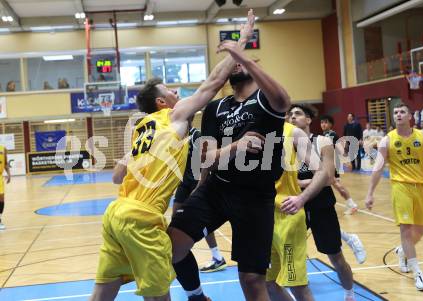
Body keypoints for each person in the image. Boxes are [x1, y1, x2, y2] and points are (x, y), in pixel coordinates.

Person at [89, 9, 257, 301]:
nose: (178, 92)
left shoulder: (143, 130)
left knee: (104, 291)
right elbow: (215, 81)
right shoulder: (173, 116)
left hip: (115, 214)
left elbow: (117, 176)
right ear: (161, 101)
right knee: (158, 295)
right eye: (171, 90)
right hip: (141, 218)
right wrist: (241, 40)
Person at [167, 14, 331, 300]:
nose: (237, 64)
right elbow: (205, 157)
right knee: (173, 246)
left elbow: (283, 99)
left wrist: (242, 52)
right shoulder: (215, 108)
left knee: (252, 280)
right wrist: (234, 149)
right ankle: (196, 296)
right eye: (235, 62)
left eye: (244, 61)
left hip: (256, 198)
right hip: (216, 189)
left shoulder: (266, 102)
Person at [288, 105, 366, 301]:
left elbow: (329, 177)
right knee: (289, 254)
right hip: (292, 207)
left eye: (297, 114)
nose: (292, 117)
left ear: (308, 120)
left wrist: (298, 183)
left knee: (335, 257)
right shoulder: (285, 145)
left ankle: (349, 294)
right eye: (289, 115)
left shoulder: (322, 141)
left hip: (321, 204)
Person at [365, 102, 423, 292]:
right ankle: (418, 273)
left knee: (420, 231)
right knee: (406, 230)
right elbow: (378, 168)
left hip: (421, 187)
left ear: (410, 116)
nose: (398, 114)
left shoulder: (422, 137)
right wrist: (370, 193)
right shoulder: (387, 140)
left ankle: (401, 251)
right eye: (395, 112)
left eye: (402, 112)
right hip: (400, 187)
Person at [266, 115, 318, 301]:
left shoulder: (293, 132)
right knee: (267, 283)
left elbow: (323, 173)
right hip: (262, 218)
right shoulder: (250, 131)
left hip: (287, 216)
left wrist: (302, 197)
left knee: (296, 284)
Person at [172, 126, 227, 273]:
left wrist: (200, 185)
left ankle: (217, 257)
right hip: (184, 182)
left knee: (201, 221)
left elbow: (206, 160)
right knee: (175, 221)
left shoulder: (196, 135)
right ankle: (178, 257)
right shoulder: (174, 135)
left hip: (196, 181)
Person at [320, 115, 358, 215]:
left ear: (330, 124)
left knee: (336, 184)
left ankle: (352, 204)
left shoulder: (330, 134)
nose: (323, 124)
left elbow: (339, 147)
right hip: (327, 164)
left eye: (326, 122)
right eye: (322, 122)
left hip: (331, 164)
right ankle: (350, 203)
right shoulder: (325, 134)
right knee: (335, 184)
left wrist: (347, 161)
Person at [0, 145, 11, 230]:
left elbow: (6, 163)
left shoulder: (3, 148)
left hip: (0, 177)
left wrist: (9, 174)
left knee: (1, 199)